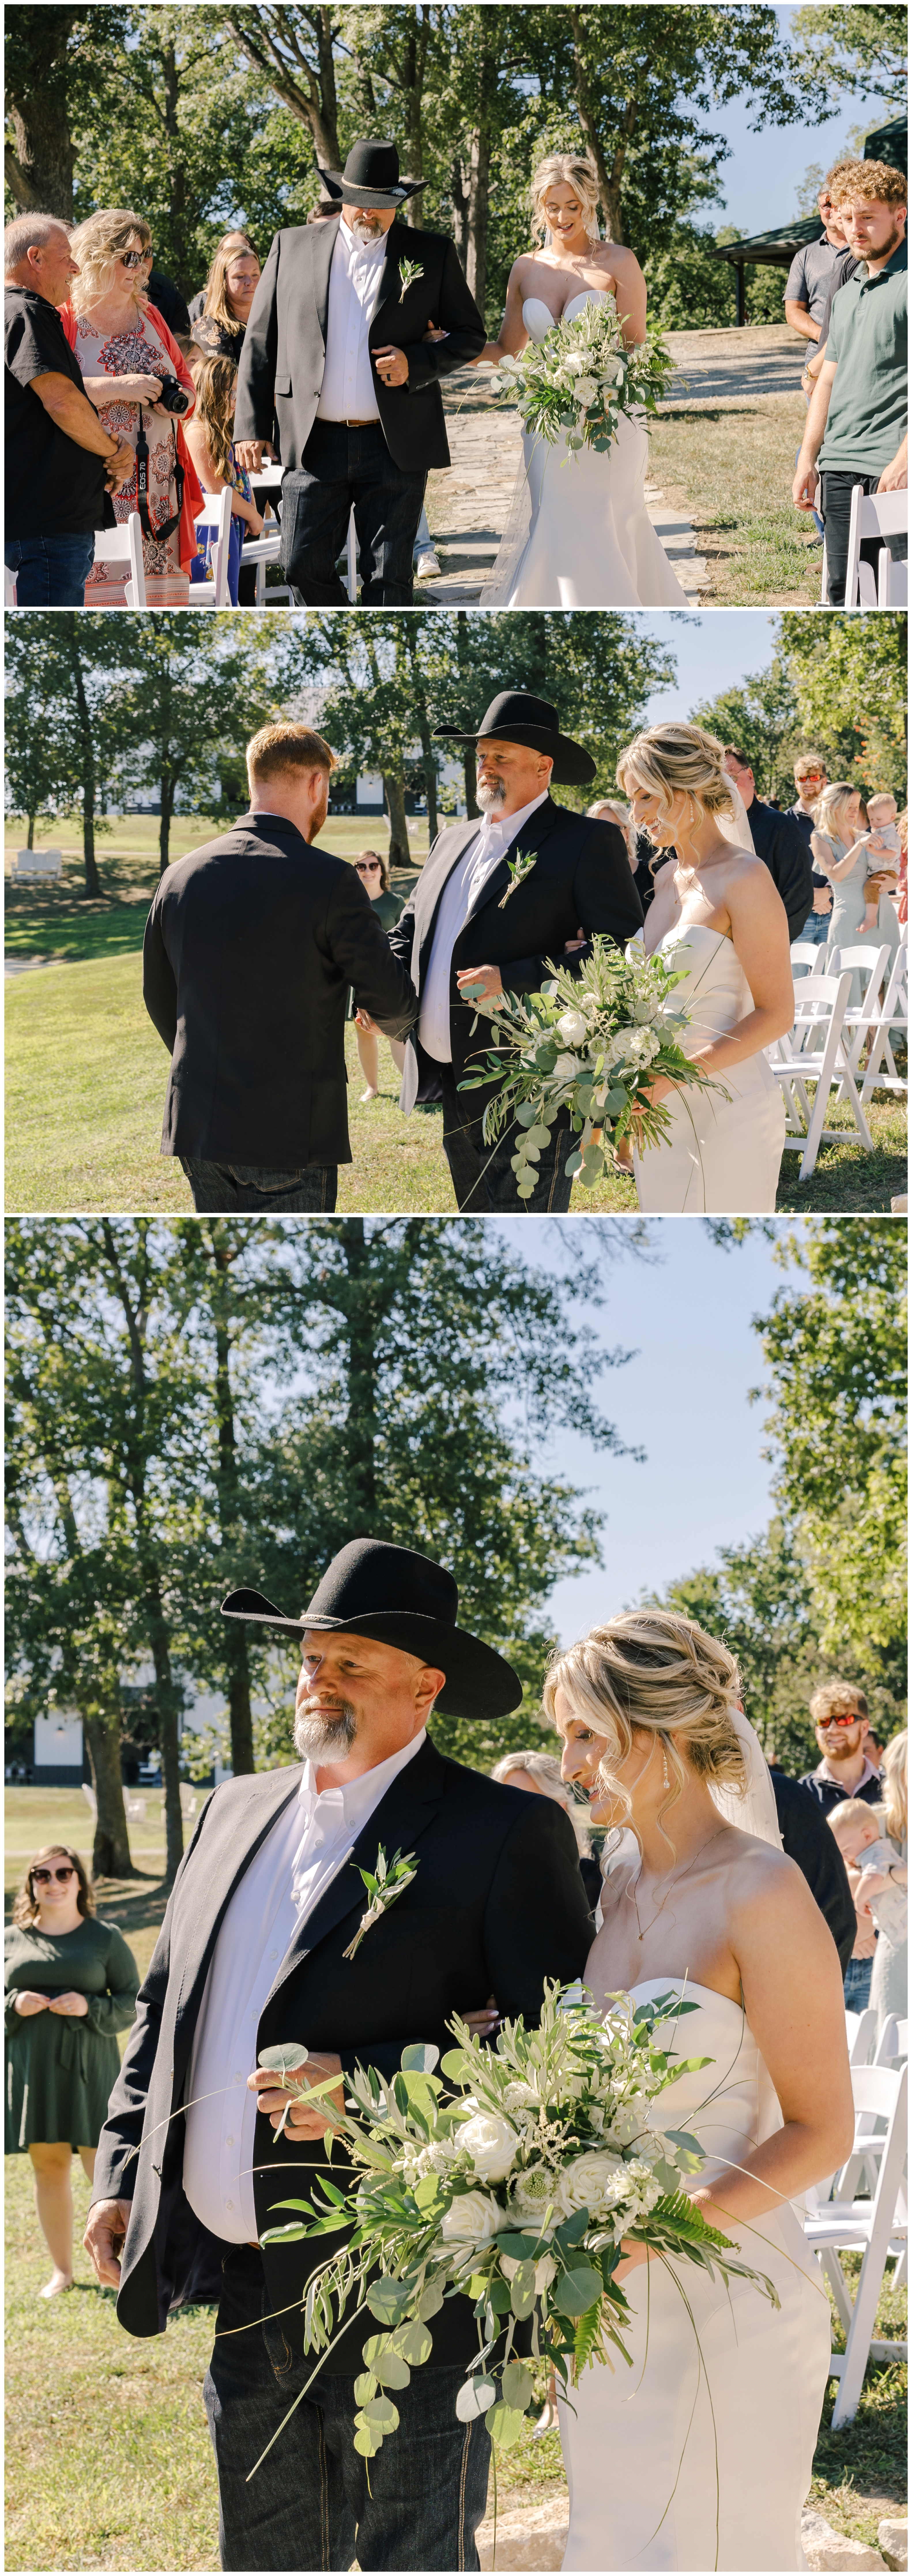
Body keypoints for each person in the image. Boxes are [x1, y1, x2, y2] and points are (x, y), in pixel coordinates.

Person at [83, 1538, 595, 2575]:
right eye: (311, 1659)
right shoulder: (232, 1810)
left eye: (350, 1664)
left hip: (410, 2293)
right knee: (266, 2561)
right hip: (241, 2288)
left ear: (427, 1686)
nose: (318, 1681)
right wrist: (120, 2169)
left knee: (416, 2559)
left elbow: (558, 2058)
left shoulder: (502, 1830)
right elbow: (162, 2010)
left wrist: (369, 2084)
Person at [545, 1608, 851, 2573]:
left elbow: (821, 2127)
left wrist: (663, 2226)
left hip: (732, 2300)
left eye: (584, 1734)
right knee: (611, 2546)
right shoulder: (619, 1882)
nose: (568, 1763)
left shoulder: (761, 1888)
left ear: (659, 1733)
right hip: (609, 2303)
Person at [382, 689, 643, 1213]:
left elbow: (616, 951)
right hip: (454, 1076)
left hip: (532, 1081)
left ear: (543, 766)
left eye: (500, 757)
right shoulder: (450, 840)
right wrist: (377, 993)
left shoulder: (585, 841)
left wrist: (516, 976)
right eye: (481, 757)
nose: (485, 768)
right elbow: (407, 933)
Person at [142, 722, 417, 1215]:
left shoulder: (180, 875)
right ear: (316, 784)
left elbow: (159, 996)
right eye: (328, 788)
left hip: (198, 1123)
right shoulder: (329, 878)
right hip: (288, 1128)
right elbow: (389, 997)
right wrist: (397, 1019)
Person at [234, 137, 485, 606]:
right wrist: (250, 426)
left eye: (381, 205)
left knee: (389, 582)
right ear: (342, 198)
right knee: (298, 566)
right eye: (360, 204)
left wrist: (418, 363)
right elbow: (259, 342)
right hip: (313, 442)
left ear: (398, 202)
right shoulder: (291, 246)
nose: (368, 214)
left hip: (394, 444)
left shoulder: (430, 253)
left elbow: (469, 334)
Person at [481, 150, 687, 607]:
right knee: (553, 519)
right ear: (540, 206)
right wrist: (443, 347)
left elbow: (637, 346)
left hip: (609, 420)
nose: (562, 217)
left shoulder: (618, 262)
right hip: (549, 426)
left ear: (589, 204)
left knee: (609, 518)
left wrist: (608, 388)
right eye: (553, 206)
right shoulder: (525, 268)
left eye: (572, 206)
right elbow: (507, 350)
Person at [614, 723, 793, 1214]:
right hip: (656, 1109)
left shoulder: (745, 877)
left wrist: (673, 1078)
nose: (637, 815)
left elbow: (777, 1014)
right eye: (632, 800)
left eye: (646, 796)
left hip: (728, 1102)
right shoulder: (666, 877)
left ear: (686, 788)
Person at [5, 1843, 139, 2300]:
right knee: (47, 2166)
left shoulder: (105, 1937)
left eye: (65, 1873)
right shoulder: (12, 1938)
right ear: (32, 1884)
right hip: (33, 2070)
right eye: (43, 1874)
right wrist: (13, 2004)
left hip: (91, 2066)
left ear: (80, 1881)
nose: (54, 1881)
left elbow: (133, 2002)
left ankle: (135, 2262)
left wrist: (90, 2004)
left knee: (105, 2165)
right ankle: (63, 2271)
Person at [60, 207, 201, 605]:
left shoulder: (151, 314)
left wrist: (178, 403)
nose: (140, 267)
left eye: (144, 255)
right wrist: (120, 387)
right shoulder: (65, 318)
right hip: (96, 486)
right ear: (99, 255)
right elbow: (52, 394)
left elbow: (188, 385)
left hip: (159, 494)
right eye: (130, 257)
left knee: (159, 609)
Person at [4, 211, 135, 606]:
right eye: (67, 257)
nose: (76, 269)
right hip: (49, 524)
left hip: (42, 519)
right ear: (36, 259)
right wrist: (114, 453)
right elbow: (61, 400)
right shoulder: (25, 311)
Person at [793, 161, 907, 608]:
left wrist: (904, 460)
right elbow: (827, 380)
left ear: (901, 215)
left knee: (895, 596)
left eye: (868, 217)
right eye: (847, 218)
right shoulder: (847, 292)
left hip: (893, 469)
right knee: (840, 595)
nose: (855, 229)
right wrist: (808, 459)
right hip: (839, 467)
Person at [184, 349, 265, 604]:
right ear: (211, 393)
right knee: (215, 596)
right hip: (207, 536)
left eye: (237, 394)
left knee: (228, 593)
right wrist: (253, 514)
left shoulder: (225, 433)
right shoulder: (198, 431)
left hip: (227, 529)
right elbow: (217, 487)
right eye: (231, 393)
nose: (235, 401)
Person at [810, 781, 900, 1004]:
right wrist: (859, 845)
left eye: (857, 806)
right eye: (850, 806)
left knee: (881, 984)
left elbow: (890, 863)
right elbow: (836, 874)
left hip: (881, 915)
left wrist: (892, 881)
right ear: (833, 807)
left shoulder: (865, 835)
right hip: (848, 920)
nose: (855, 812)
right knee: (847, 983)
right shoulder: (820, 839)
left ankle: (876, 1040)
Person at [721, 746, 815, 942]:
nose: (727, 788)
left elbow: (799, 897)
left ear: (750, 776)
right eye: (719, 783)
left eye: (732, 778)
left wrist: (770, 942)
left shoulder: (781, 826)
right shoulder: (714, 831)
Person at [491, 1748, 602, 1909]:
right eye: (503, 1805)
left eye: (526, 1806)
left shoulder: (589, 1881)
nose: (511, 1818)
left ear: (560, 1809)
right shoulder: (479, 1876)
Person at [827, 1796, 905, 2015]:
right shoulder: (866, 1852)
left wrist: (860, 1899)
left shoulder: (876, 1852)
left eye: (846, 1849)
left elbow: (874, 1876)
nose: (845, 1856)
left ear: (867, 1835)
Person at [348, 849, 407, 1101]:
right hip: (358, 975)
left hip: (390, 975)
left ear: (382, 870)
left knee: (398, 1029)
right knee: (363, 1029)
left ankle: (411, 1086)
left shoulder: (395, 902)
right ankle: (372, 1087)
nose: (368, 871)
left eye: (373, 866)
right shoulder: (348, 900)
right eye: (362, 866)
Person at [869, 1732, 908, 2036]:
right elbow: (847, 1877)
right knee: (889, 2045)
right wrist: (898, 1875)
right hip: (897, 1952)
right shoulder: (876, 1822)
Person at [784, 176, 853, 346]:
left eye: (837, 203)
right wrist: (823, 336)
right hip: (818, 353)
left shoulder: (866, 248)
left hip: (860, 351)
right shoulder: (805, 256)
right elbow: (793, 310)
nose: (833, 210)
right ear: (820, 209)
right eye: (827, 205)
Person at [800, 1680, 884, 1816]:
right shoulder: (799, 1795)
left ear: (864, 1728)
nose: (832, 1729)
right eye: (824, 1721)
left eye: (844, 1719)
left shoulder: (895, 1790)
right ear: (817, 1731)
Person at [789, 753, 834, 948]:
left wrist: (829, 892)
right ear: (796, 782)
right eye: (802, 778)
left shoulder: (837, 818)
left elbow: (850, 859)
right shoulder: (783, 821)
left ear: (824, 781)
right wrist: (811, 896)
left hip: (834, 910)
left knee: (833, 977)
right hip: (800, 917)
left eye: (814, 778)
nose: (808, 783)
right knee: (797, 979)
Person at [188, 231, 259, 331]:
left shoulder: (268, 298)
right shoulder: (203, 302)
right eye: (231, 250)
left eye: (247, 248)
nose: (240, 252)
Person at [859, 792, 900, 934]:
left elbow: (892, 853)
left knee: (870, 888)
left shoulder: (891, 834)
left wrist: (874, 851)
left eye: (879, 819)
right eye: (871, 819)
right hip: (880, 870)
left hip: (887, 870)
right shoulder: (877, 833)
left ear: (892, 817)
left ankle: (871, 918)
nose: (875, 822)